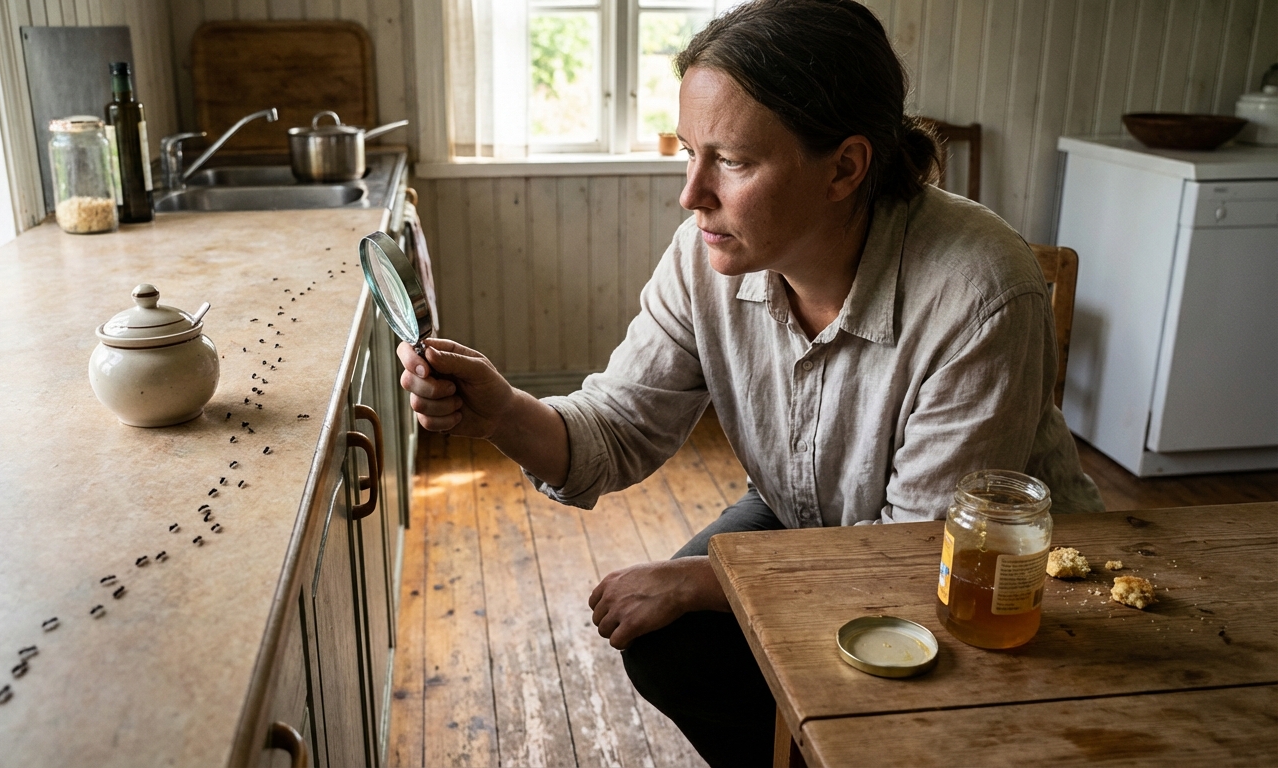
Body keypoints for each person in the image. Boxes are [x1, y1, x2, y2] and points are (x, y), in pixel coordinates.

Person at [397, 0, 1105, 763]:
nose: (691, 193)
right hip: (807, 517)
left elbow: (917, 552)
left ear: (845, 167)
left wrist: (703, 581)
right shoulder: (702, 256)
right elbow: (615, 427)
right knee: (669, 646)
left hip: (995, 583)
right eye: (687, 152)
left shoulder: (980, 290)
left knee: (895, 702)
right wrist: (503, 410)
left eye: (730, 161)